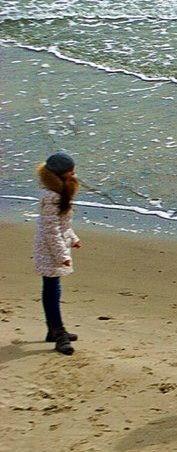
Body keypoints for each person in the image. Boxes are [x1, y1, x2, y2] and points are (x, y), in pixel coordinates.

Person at [34, 152, 82, 356]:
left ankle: (52, 330)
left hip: (55, 246)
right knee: (52, 289)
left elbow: (63, 226)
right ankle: (58, 332)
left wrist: (73, 238)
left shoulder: (59, 192)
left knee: (53, 287)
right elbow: (50, 230)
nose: (74, 173)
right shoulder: (52, 197)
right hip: (49, 249)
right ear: (60, 174)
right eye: (70, 171)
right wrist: (62, 254)